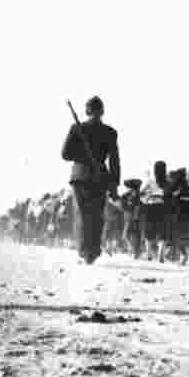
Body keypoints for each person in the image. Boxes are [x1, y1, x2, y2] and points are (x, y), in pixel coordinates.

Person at [60, 95, 120, 264]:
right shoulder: (110, 132)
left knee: (83, 215)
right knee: (97, 215)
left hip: (80, 177)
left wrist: (83, 156)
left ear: (87, 111)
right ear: (102, 111)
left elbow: (65, 154)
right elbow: (115, 161)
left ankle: (84, 250)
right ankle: (93, 251)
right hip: (100, 177)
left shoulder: (77, 128)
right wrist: (114, 184)